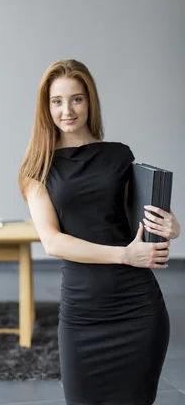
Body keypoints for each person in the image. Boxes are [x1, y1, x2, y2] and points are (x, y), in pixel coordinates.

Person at [19, 59, 181, 405]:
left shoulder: (119, 156)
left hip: (138, 310)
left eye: (76, 99)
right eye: (57, 101)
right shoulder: (36, 168)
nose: (68, 110)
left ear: (90, 101)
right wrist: (125, 255)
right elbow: (52, 242)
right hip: (82, 315)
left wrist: (170, 226)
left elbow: (138, 220)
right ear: (45, 107)